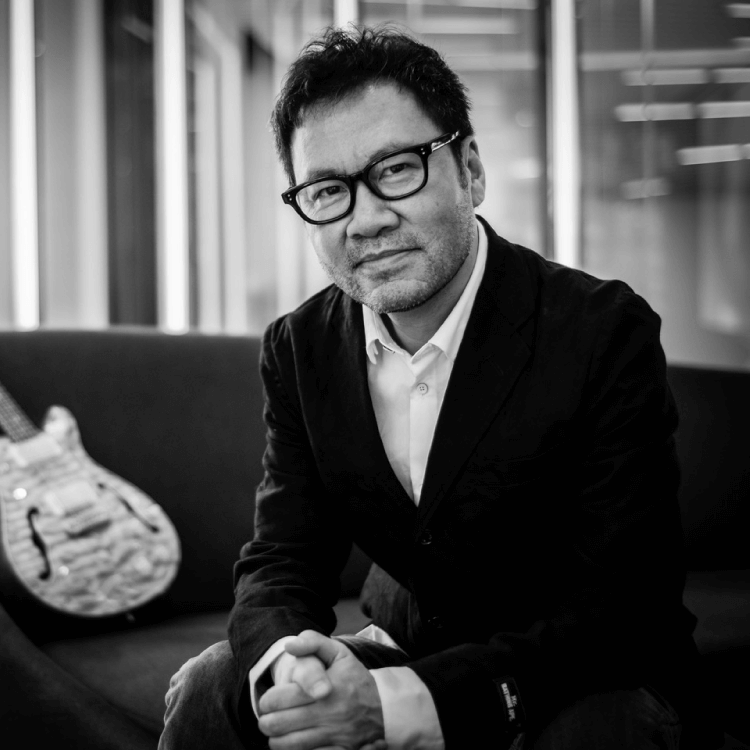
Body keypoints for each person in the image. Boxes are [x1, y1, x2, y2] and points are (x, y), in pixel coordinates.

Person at [159, 24, 722, 750]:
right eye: (328, 191)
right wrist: (293, 667)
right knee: (215, 683)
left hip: (582, 675)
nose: (366, 220)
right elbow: (284, 555)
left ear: (471, 171)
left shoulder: (600, 330)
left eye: (397, 169)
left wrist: (402, 703)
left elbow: (622, 603)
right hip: (411, 646)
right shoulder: (300, 349)